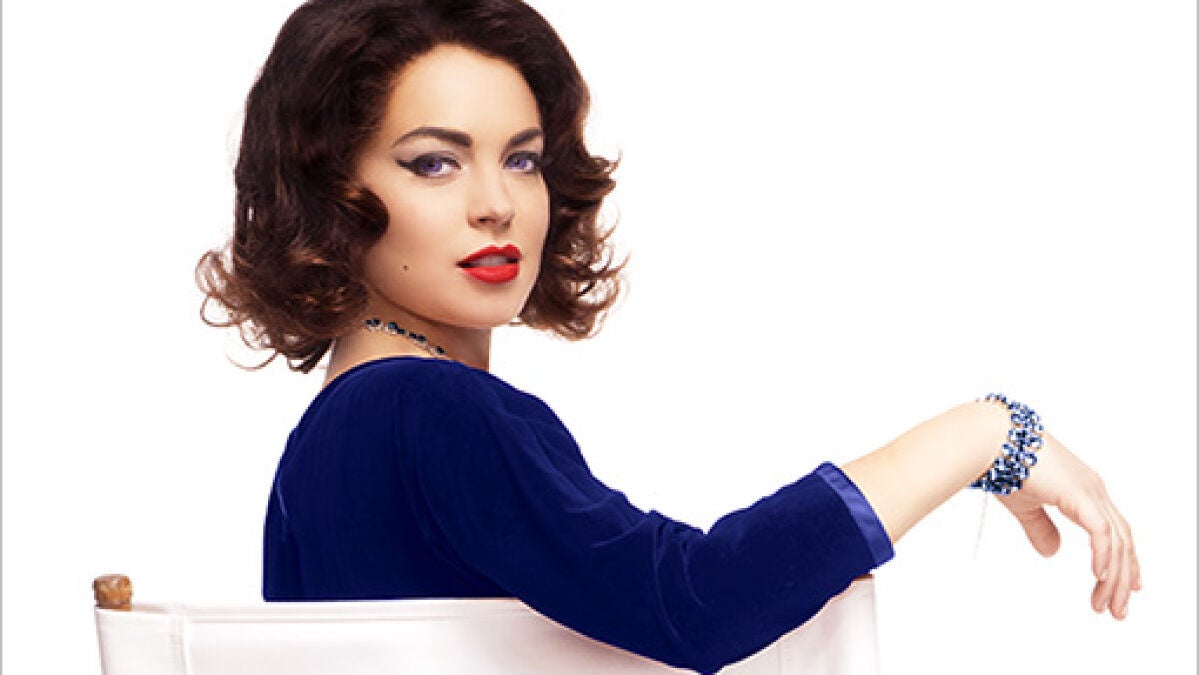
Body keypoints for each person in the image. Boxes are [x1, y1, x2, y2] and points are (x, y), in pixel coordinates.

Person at [197, 0, 1140, 672]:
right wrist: (982, 433)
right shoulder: (428, 407)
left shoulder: (330, 436)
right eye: (434, 163)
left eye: (522, 159)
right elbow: (696, 602)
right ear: (329, 193)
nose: (496, 204)